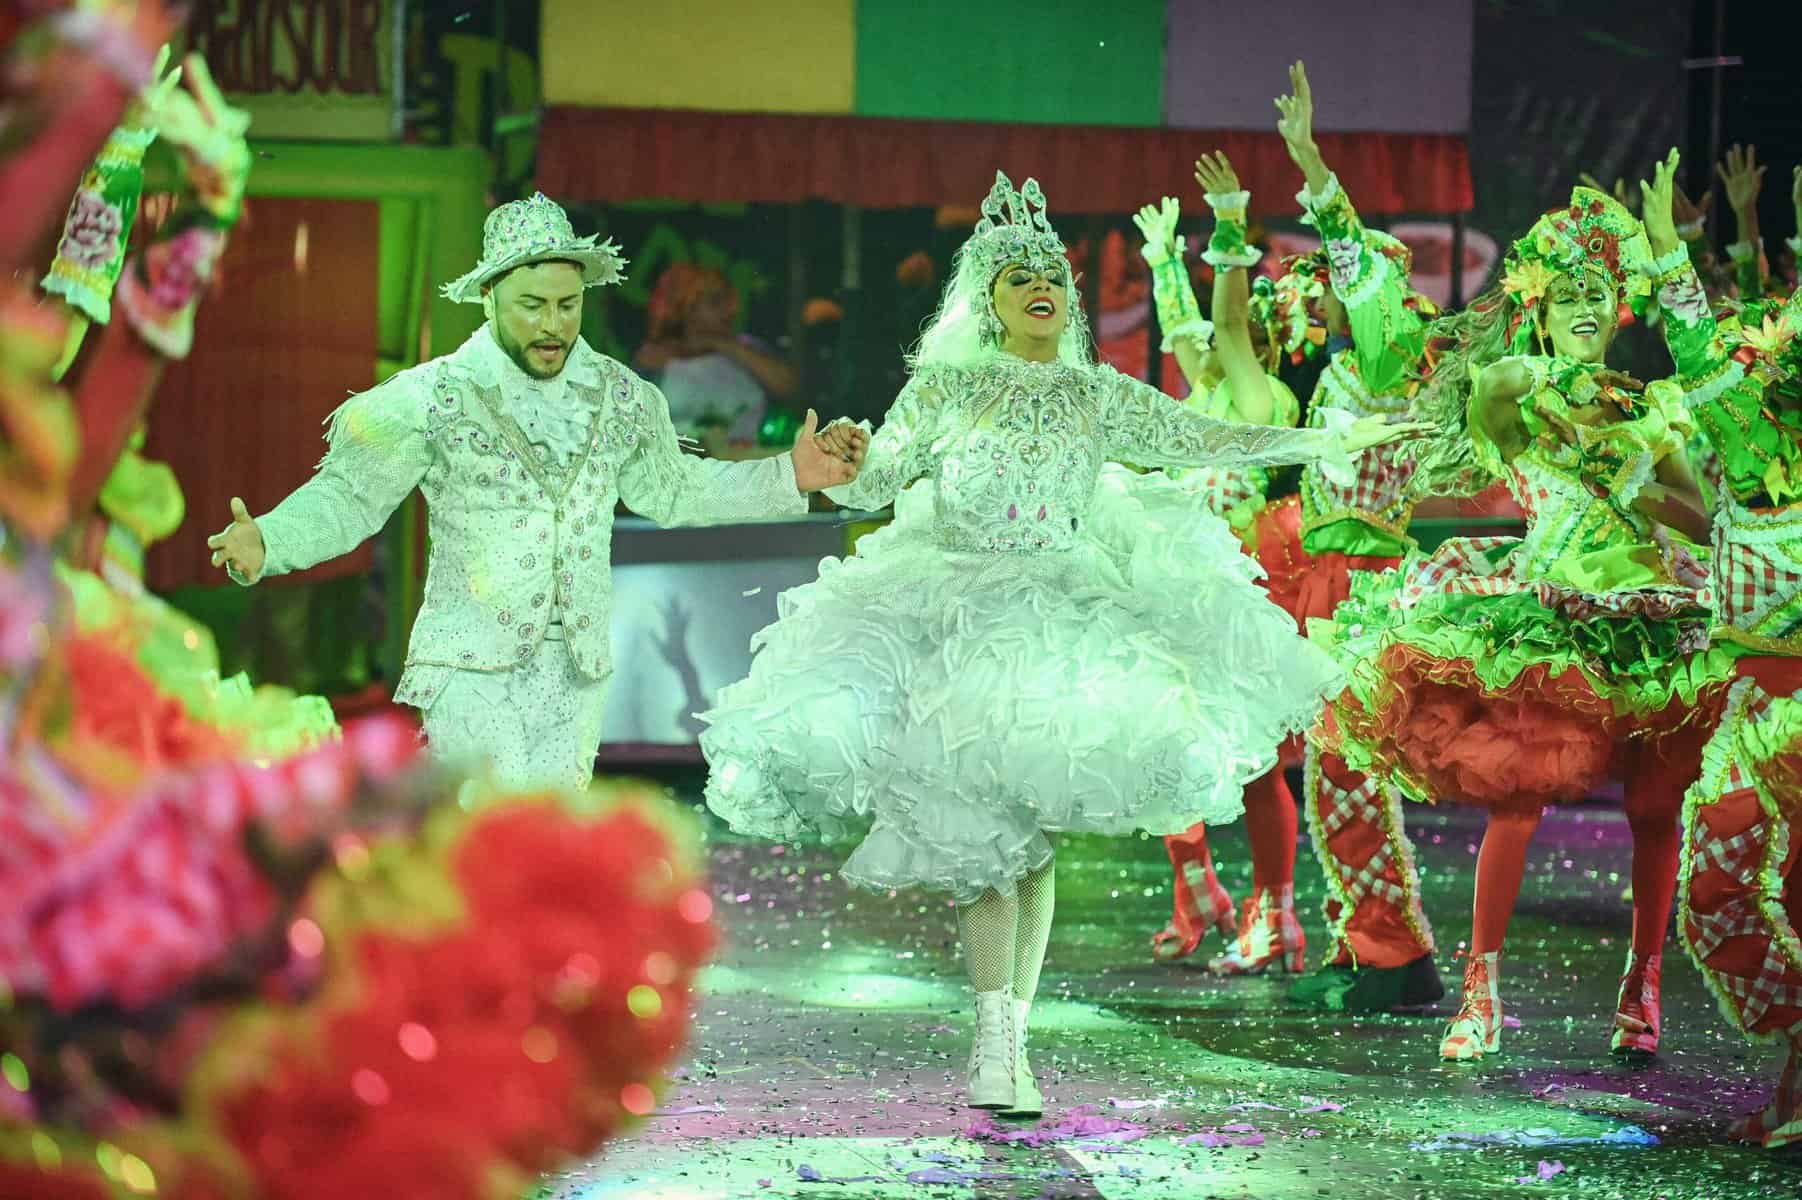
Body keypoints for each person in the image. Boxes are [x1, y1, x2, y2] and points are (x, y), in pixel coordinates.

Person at [699, 171, 1421, 1117]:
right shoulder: (950, 387)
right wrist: (843, 462)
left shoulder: (1096, 394)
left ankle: (1007, 1041)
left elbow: (1204, 436)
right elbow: (879, 483)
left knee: (1026, 845)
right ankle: (1000, 1041)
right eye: (1018, 276)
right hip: (955, 619)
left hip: (1059, 622)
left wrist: (1324, 443)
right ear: (989, 302)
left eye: (1053, 272)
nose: (1042, 284)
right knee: (990, 841)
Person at [206, 193, 867, 792]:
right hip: (469, 662)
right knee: (487, 844)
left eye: (566, 304)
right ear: (489, 296)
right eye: (533, 305)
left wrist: (790, 475)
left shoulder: (621, 395)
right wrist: (271, 538)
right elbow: (352, 496)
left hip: (575, 667)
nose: (553, 324)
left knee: (543, 856)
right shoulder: (435, 396)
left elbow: (675, 489)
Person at [1318, 166, 1729, 1063]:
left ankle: (1642, 981)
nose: (1587, 305)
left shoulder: (1650, 409)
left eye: (1601, 293)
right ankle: (1480, 988)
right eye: (1569, 294)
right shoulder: (1521, 394)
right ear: (1541, 310)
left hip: (1656, 624)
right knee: (1519, 800)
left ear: (1621, 309)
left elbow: (1699, 519)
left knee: (1657, 813)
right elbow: (1494, 383)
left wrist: (1635, 482)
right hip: (1548, 627)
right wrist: (1571, 277)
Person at [1644, 151, 1802, 1149]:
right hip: (1752, 715)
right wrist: (1669, 250)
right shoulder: (1736, 443)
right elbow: (1696, 345)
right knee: (1713, 891)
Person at [634, 261, 799, 453]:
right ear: (685, 306)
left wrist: (722, 344)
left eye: (729, 299)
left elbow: (788, 387)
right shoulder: (653, 360)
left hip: (746, 467)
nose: (729, 309)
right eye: (714, 301)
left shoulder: (747, 348)